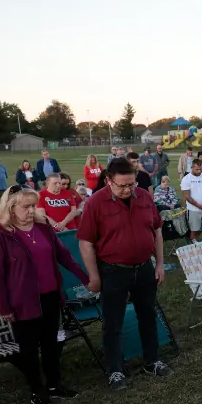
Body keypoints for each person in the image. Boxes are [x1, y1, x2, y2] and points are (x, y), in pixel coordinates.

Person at [0, 185, 89, 404]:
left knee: (51, 344)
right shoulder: (0, 234)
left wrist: (85, 278)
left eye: (34, 205)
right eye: (27, 207)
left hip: (51, 296)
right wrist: (4, 306)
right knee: (29, 348)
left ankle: (55, 385)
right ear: (12, 208)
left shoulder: (44, 228)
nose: (32, 210)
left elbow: (64, 256)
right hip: (22, 302)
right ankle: (37, 390)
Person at [77, 158, 172, 390]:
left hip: (144, 268)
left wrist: (159, 264)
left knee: (148, 315)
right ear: (108, 180)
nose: (128, 189)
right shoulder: (95, 203)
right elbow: (86, 243)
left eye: (131, 184)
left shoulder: (144, 197)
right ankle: (115, 370)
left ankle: (152, 360)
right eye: (122, 185)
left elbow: (157, 231)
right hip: (113, 271)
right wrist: (94, 276)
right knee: (113, 323)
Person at [181, 159, 202, 242]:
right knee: (194, 230)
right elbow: (187, 196)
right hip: (193, 209)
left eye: (200, 169)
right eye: (197, 169)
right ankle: (194, 249)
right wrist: (198, 206)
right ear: (191, 168)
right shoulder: (186, 179)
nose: (199, 171)